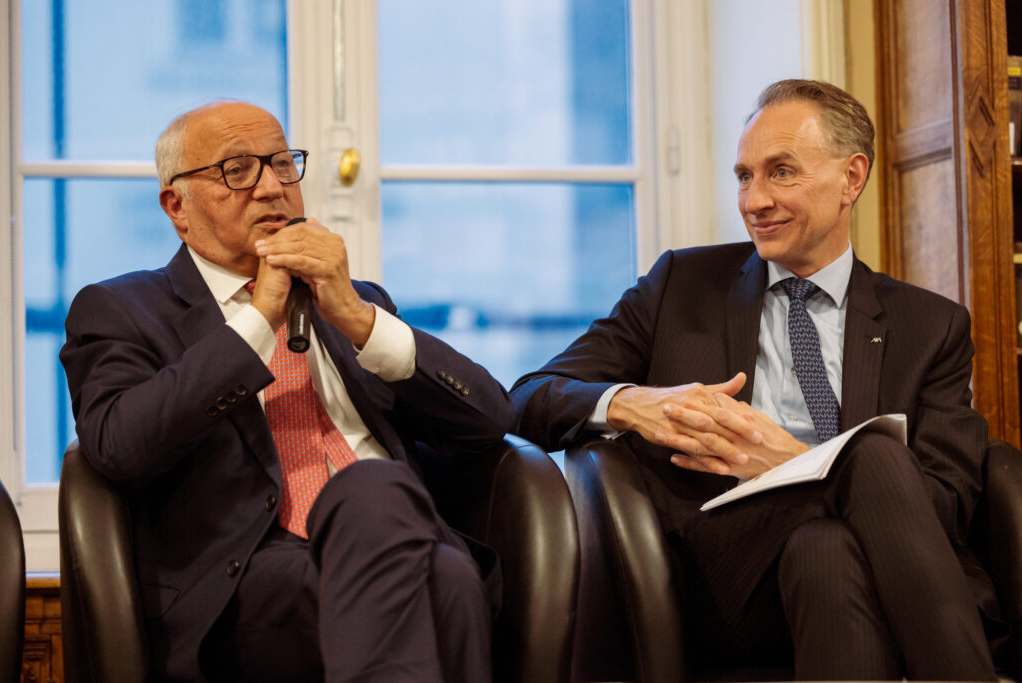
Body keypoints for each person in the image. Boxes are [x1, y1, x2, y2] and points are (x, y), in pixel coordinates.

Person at [511, 79, 1001, 680]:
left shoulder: (931, 326)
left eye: (781, 172)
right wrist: (631, 404)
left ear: (851, 178)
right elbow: (527, 396)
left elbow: (947, 505)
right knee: (872, 455)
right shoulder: (679, 287)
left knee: (826, 550)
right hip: (722, 579)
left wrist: (793, 461)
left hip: (867, 572)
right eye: (744, 176)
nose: (754, 200)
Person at [60, 100, 514, 683]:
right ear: (177, 205)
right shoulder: (121, 309)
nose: (273, 187)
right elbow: (118, 445)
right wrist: (259, 319)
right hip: (245, 584)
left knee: (442, 570)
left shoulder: (352, 300)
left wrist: (359, 318)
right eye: (237, 170)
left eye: (282, 164)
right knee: (405, 531)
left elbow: (489, 419)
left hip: (397, 549)